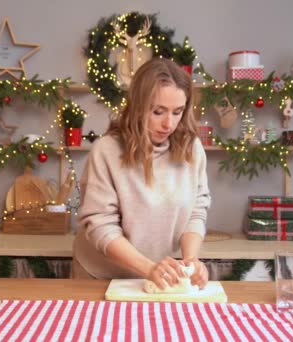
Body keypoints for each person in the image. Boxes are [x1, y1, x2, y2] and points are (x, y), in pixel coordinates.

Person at [72, 58, 211, 291]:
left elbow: (197, 209)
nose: (169, 123)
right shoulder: (106, 150)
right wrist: (149, 268)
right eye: (158, 112)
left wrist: (190, 259)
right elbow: (100, 225)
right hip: (101, 276)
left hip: (159, 276)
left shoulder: (192, 149)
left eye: (177, 112)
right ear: (137, 106)